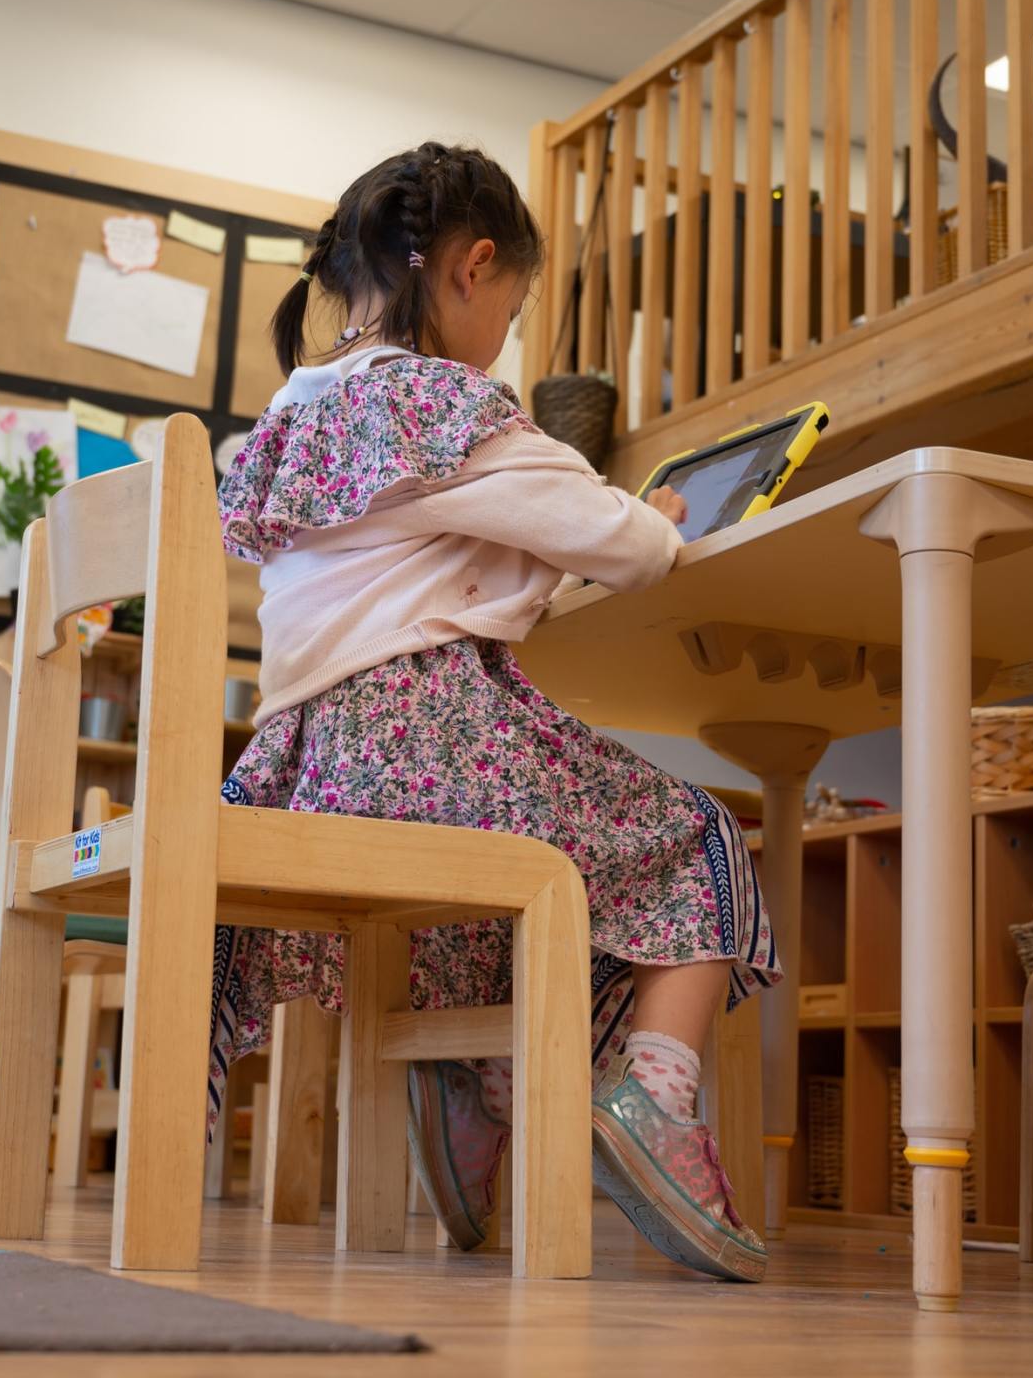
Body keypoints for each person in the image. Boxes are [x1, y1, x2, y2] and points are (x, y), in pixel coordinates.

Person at [214, 141, 777, 1283]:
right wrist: (656, 516)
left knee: (522, 868)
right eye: (511, 312)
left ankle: (485, 1093)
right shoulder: (442, 402)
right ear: (472, 270)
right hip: (426, 737)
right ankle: (656, 1102)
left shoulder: (293, 421)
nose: (504, 342)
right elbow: (621, 543)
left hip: (315, 765)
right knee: (697, 839)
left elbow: (443, 560)